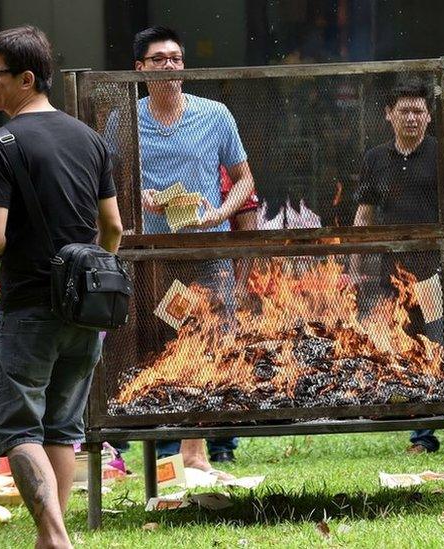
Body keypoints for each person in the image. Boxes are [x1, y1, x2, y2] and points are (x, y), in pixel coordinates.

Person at [0, 26, 123, 548]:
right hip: (84, 310)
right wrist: (85, 277)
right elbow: (113, 230)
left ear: (27, 78)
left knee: (19, 430)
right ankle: (53, 539)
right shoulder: (90, 138)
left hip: (27, 308)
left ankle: (56, 540)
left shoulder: (0, 144)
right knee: (63, 427)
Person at [130, 26, 255, 470]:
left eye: (176, 58)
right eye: (159, 59)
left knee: (210, 342)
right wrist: (136, 196)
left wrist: (220, 214)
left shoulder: (215, 114)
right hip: (151, 259)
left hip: (207, 252)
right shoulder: (123, 119)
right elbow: (106, 184)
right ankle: (166, 448)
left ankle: (196, 450)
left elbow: (245, 181)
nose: (169, 66)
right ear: (139, 69)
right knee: (159, 343)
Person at [352, 77, 442, 453]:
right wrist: (354, 261)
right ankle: (404, 417)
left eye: (418, 111)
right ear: (388, 115)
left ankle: (427, 431)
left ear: (429, 116)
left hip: (434, 271)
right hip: (391, 272)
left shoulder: (442, 153)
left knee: (432, 341)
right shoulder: (376, 158)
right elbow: (365, 213)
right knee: (396, 340)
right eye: (403, 110)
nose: (411, 117)